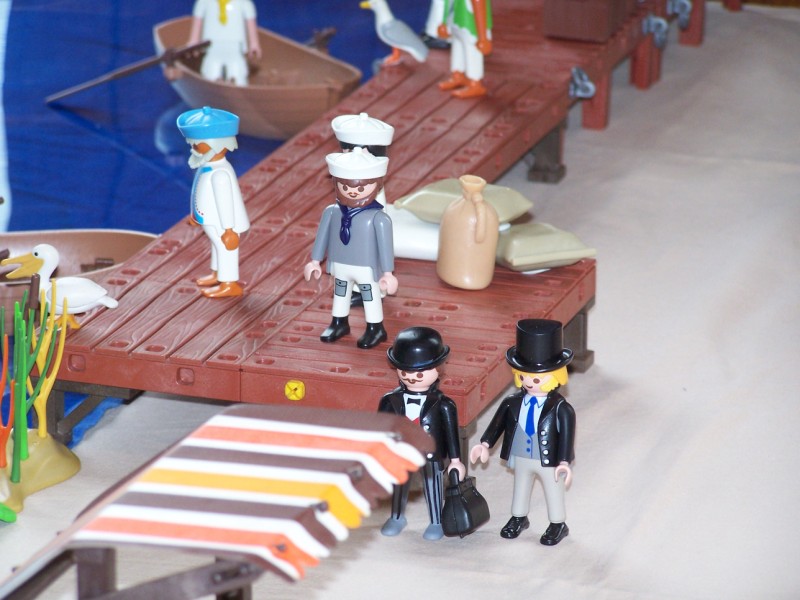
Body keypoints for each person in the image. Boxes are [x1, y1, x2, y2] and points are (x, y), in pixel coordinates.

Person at [470, 319, 576, 545]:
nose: (529, 382)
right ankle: (518, 517)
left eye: (536, 378)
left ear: (556, 376)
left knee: (553, 489)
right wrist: (485, 444)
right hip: (521, 455)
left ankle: (558, 523)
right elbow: (497, 424)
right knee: (520, 487)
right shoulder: (512, 402)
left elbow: (567, 435)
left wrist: (564, 461)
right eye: (523, 376)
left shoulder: (561, 408)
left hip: (548, 459)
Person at [303, 147, 397, 348]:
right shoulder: (332, 212)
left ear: (377, 185)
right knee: (340, 293)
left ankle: (375, 328)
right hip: (340, 264)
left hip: (366, 267)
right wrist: (315, 261)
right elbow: (322, 237)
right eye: (345, 186)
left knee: (370, 296)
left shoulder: (379, 218)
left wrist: (388, 272)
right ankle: (339, 322)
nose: (352, 191)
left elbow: (386, 246)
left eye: (361, 188)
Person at [378, 327, 465, 540]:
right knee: (399, 483)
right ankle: (397, 517)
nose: (412, 378)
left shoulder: (443, 404)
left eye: (419, 373)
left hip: (431, 453)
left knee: (433, 485)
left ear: (438, 369)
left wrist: (456, 460)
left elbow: (451, 433)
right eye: (405, 372)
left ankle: (436, 521)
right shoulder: (390, 400)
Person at [177, 106, 250, 298]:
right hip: (210, 218)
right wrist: (195, 215)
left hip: (223, 221)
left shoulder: (220, 174)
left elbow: (225, 203)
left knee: (225, 248)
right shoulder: (208, 167)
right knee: (216, 245)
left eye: (197, 145)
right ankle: (218, 274)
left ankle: (229, 283)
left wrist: (229, 229)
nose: (193, 148)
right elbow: (199, 192)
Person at [188, 0, 262, 86]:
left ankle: (237, 91)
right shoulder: (204, 2)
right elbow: (198, 21)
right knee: (210, 73)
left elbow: (250, 22)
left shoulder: (244, 3)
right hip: (212, 47)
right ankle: (211, 89)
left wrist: (254, 43)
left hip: (235, 47)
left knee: (238, 74)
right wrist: (194, 41)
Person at [437, 0, 492, 98]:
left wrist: (483, 37)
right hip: (457, 22)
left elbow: (479, 5)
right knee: (457, 47)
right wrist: (444, 23)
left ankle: (475, 82)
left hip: (471, 26)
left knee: (472, 51)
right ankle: (457, 75)